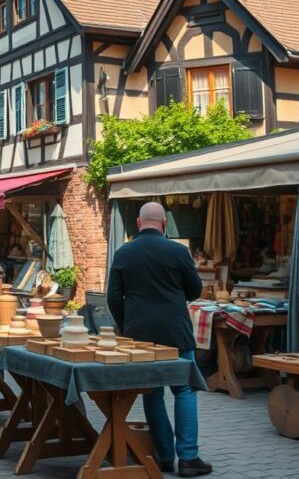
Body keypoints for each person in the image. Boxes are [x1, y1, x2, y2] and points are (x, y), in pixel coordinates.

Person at [107, 202, 211, 477]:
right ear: (165, 224)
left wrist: (127, 327)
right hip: (176, 331)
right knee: (185, 390)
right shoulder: (178, 251)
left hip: (139, 334)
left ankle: (163, 457)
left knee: (152, 392)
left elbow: (113, 298)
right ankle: (188, 458)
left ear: (138, 223)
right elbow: (195, 290)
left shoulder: (123, 252)